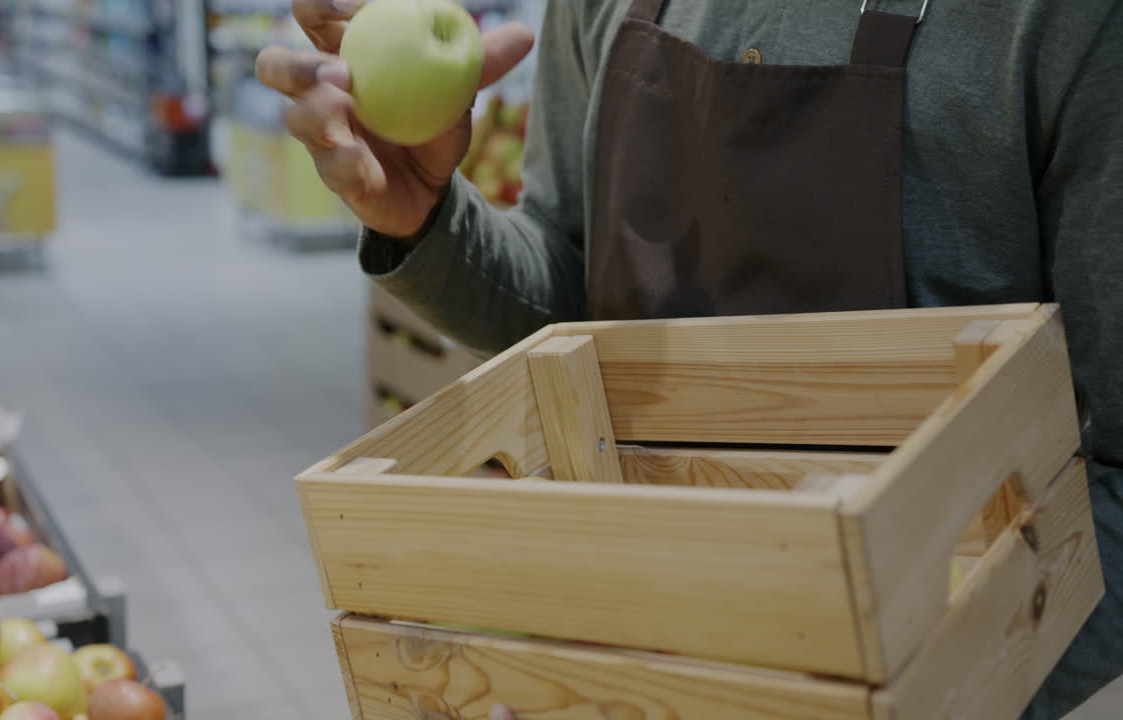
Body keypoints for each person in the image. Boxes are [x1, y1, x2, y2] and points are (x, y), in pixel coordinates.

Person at [257, 1, 1123, 718]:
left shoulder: (1063, 25)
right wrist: (425, 218)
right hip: (622, 664)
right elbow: (571, 300)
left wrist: (939, 682)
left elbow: (1114, 473)